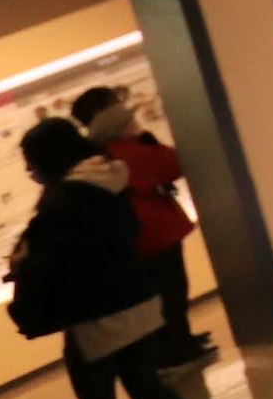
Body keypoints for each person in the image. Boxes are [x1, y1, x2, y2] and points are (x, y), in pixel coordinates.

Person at [7, 115, 222, 399]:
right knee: (145, 384)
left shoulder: (65, 200)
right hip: (133, 301)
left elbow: (57, 259)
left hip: (95, 315)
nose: (30, 171)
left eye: (31, 162)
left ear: (49, 159)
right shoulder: (107, 180)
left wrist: (23, 263)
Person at [70, 87, 209, 363]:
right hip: (154, 234)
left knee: (164, 295)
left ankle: (178, 341)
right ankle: (177, 348)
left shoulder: (102, 154)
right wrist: (147, 142)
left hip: (141, 238)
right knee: (172, 294)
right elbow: (173, 164)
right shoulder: (126, 151)